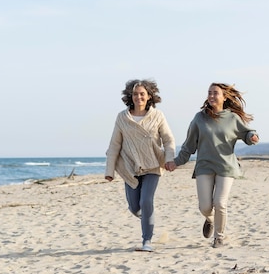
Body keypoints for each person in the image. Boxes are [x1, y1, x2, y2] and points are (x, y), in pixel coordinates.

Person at [164, 82, 259, 248]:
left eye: (216, 93)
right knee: (205, 207)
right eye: (210, 92)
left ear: (224, 97)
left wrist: (252, 136)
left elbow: (246, 133)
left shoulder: (232, 118)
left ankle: (219, 238)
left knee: (220, 203)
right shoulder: (199, 118)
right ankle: (210, 219)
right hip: (204, 166)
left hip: (226, 166)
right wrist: (176, 162)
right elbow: (189, 146)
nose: (212, 96)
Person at [105, 79, 176, 252]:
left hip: (152, 165)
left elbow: (168, 140)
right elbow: (114, 145)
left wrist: (169, 158)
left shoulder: (157, 116)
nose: (139, 97)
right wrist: (110, 171)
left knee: (146, 201)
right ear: (131, 96)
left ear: (149, 96)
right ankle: (147, 218)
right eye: (135, 94)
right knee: (135, 207)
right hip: (130, 167)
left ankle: (147, 241)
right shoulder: (122, 117)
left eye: (142, 93)